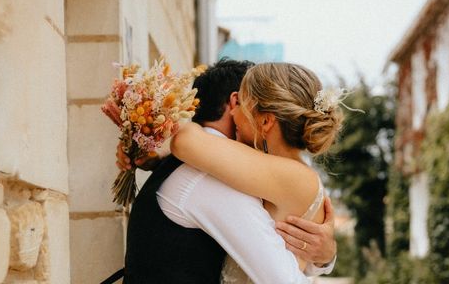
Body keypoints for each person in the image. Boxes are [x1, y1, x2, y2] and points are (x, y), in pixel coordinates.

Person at [116, 59, 337, 284]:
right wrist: (325, 259)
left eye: (243, 103)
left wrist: (325, 257)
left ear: (266, 121)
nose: (235, 115)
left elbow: (285, 275)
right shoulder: (219, 176)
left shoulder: (250, 175)